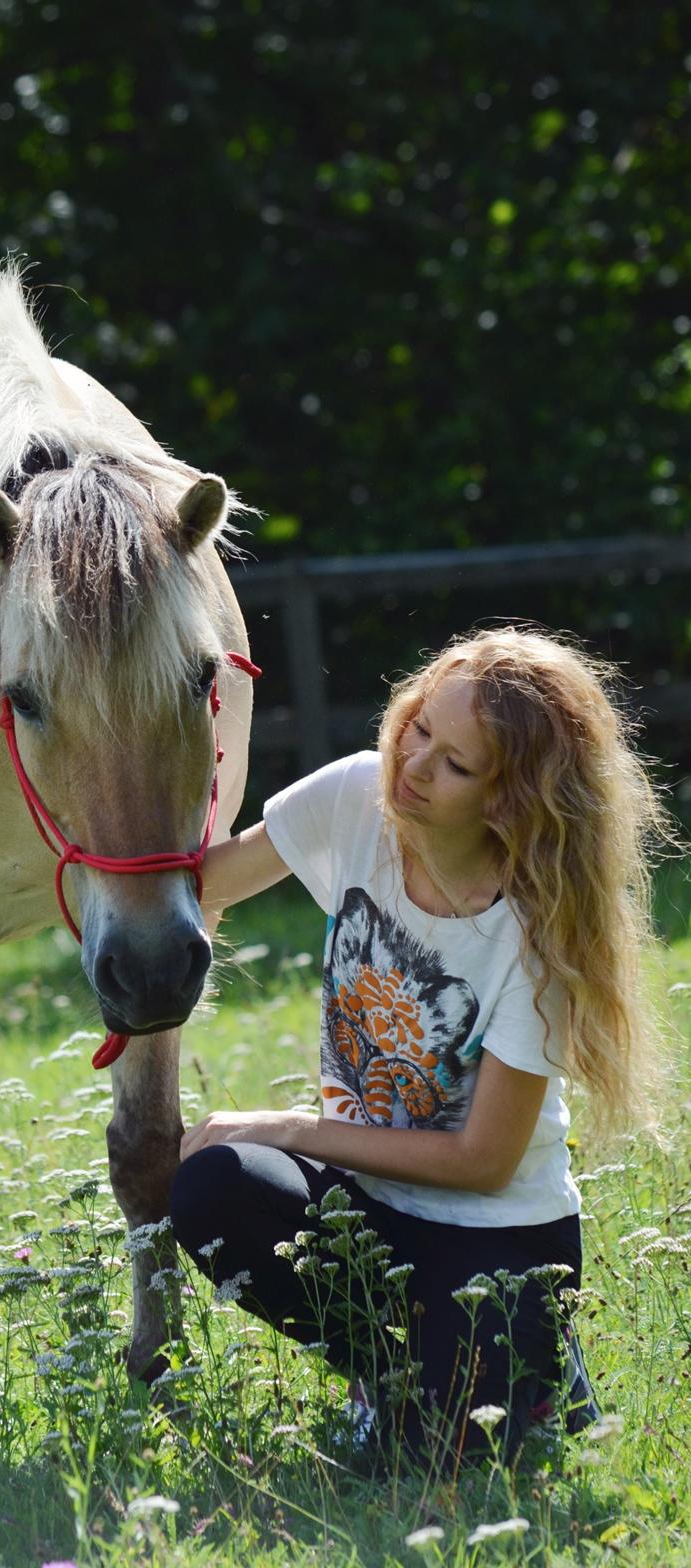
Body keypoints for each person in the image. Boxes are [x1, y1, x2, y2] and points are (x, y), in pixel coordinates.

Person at [172, 627, 672, 1469]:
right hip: (365, 1203)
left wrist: (287, 1127)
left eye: (456, 764)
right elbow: (201, 886)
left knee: (439, 1459)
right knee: (212, 1186)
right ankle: (385, 1372)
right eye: (420, 727)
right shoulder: (356, 799)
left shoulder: (540, 933)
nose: (413, 764)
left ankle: (542, 1364)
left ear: (512, 799)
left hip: (499, 1239)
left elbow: (482, 1161)